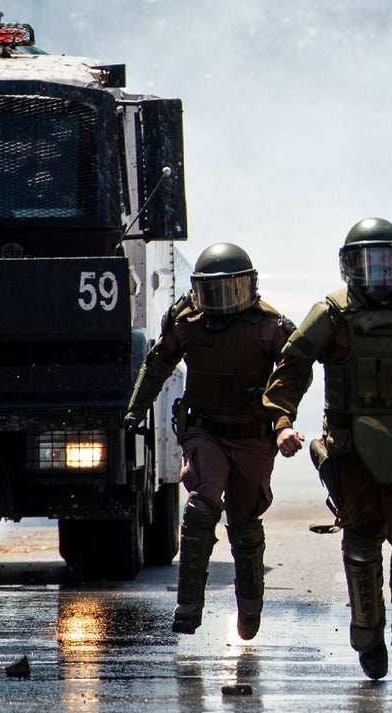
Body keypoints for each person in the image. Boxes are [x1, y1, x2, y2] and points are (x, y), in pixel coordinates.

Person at [262, 217, 392, 682]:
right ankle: (367, 634)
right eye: (367, 262)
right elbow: (293, 364)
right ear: (348, 267)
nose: (377, 272)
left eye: (385, 261)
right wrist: (282, 422)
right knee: (361, 539)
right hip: (350, 448)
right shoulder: (332, 314)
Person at [123, 242, 295, 638]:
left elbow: (295, 372)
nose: (223, 302)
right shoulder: (187, 322)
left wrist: (280, 414)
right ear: (198, 290)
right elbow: (157, 364)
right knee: (201, 507)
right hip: (206, 431)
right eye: (213, 292)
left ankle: (249, 611)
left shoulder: (271, 327)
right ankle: (187, 606)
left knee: (246, 523)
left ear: (250, 287)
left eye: (232, 290)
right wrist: (134, 409)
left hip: (253, 436)